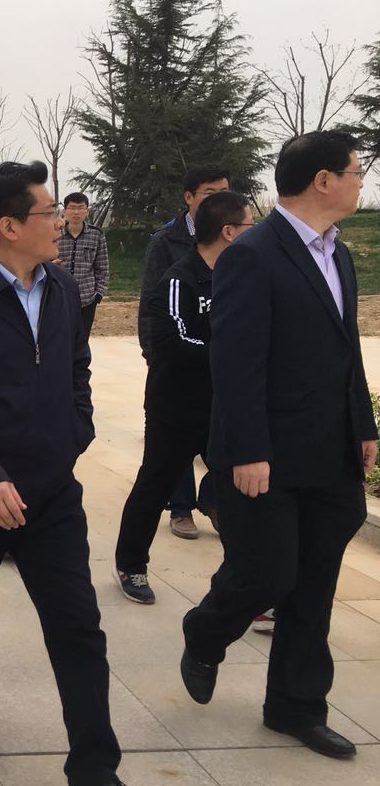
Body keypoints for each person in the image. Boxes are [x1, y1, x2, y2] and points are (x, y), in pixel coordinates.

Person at [0, 163, 159, 786]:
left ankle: (95, 777)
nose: (61, 222)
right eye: (49, 212)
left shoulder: (60, 286)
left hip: (51, 493)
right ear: (9, 225)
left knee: (78, 627)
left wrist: (74, 434)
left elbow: (76, 368)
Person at [181, 131, 375, 760]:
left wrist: (364, 425)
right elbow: (235, 364)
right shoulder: (253, 254)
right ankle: (205, 630)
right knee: (268, 572)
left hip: (329, 449)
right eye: (356, 171)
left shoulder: (338, 254)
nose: (361, 181)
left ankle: (295, 707)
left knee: (313, 584)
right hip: (266, 453)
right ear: (323, 180)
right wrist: (247, 451)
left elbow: (345, 348)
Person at [112, 192, 253, 605]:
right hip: (175, 408)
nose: (254, 233)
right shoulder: (180, 279)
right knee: (154, 486)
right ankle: (131, 564)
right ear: (229, 232)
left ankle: (251, 583)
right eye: (249, 225)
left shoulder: (242, 277)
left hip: (224, 407)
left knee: (243, 493)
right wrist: (228, 355)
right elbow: (172, 343)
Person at [138, 166, 230, 538]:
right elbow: (151, 301)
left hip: (216, 360)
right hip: (177, 356)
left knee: (220, 439)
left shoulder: (234, 240)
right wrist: (154, 353)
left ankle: (214, 500)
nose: (219, 199)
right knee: (173, 446)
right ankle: (180, 509)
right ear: (189, 198)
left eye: (224, 191)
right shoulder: (166, 241)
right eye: (210, 193)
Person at [57, 192, 109, 343]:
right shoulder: (55, 234)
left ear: (87, 211)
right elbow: (41, 261)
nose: (76, 212)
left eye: (80, 208)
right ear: (65, 210)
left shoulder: (96, 235)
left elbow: (103, 267)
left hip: (87, 299)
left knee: (82, 340)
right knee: (60, 338)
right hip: (59, 297)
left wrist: (98, 294)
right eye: (72, 208)